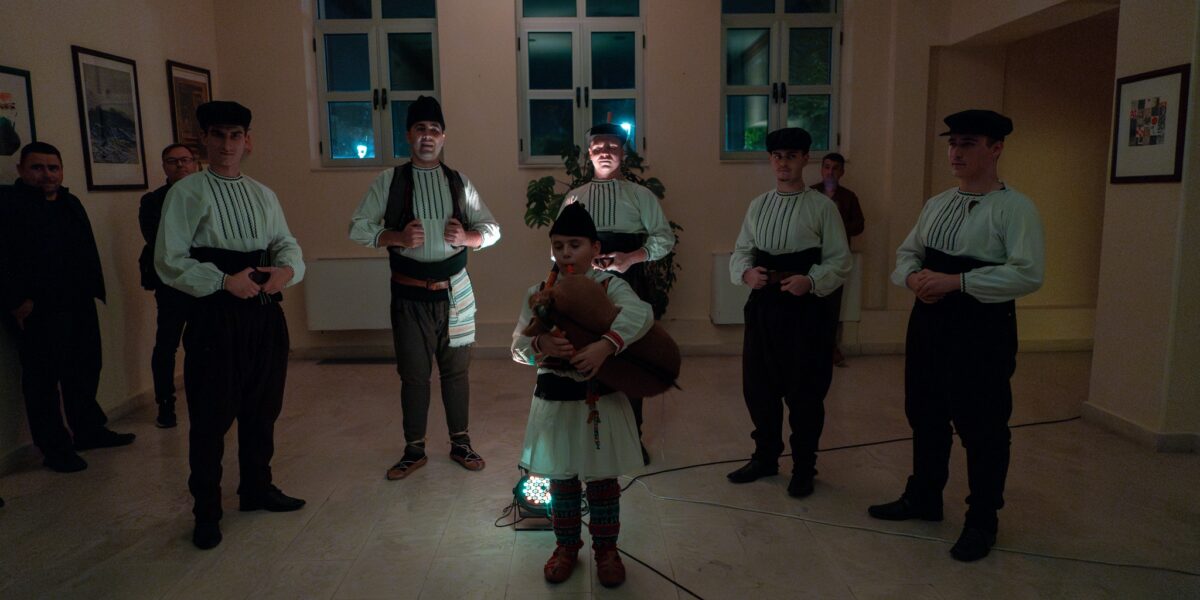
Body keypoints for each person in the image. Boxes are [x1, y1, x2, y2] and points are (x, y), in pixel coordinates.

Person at [868, 109, 1044, 562]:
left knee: (982, 424)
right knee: (924, 410)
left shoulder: (1015, 208)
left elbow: (1027, 273)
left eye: (967, 143)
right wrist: (913, 278)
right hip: (929, 321)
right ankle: (924, 496)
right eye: (952, 143)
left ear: (995, 148)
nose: (955, 153)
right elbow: (907, 253)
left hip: (981, 327)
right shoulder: (937, 203)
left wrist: (957, 282)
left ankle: (982, 520)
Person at [156, 101, 307, 549]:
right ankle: (206, 510)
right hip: (214, 314)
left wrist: (285, 271)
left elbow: (285, 242)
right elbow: (169, 260)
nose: (227, 144)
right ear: (204, 139)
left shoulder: (263, 194)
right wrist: (222, 281)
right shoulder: (186, 193)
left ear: (247, 141)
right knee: (211, 415)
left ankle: (256, 488)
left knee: (263, 408)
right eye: (218, 135)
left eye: (235, 135)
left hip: (262, 311)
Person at [349, 96, 500, 480]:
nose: (427, 136)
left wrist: (467, 237)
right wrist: (395, 236)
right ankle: (413, 449)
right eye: (420, 129)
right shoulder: (390, 181)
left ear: (444, 136)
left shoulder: (459, 182)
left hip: (455, 294)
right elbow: (358, 227)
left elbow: (492, 229)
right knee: (414, 375)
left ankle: (461, 443)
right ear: (408, 135)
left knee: (456, 373)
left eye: (434, 130)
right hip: (409, 295)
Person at [512, 203, 652, 588]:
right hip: (554, 400)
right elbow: (517, 347)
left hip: (599, 399)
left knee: (602, 478)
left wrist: (607, 345)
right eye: (558, 246)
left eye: (575, 245)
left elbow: (641, 314)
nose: (566, 253)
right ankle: (566, 547)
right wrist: (540, 344)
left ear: (595, 247)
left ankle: (607, 551)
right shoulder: (539, 293)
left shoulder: (610, 286)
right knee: (562, 478)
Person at [726, 128, 850, 498]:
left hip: (805, 310)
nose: (784, 163)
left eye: (791, 156)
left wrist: (810, 282)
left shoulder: (822, 207)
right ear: (770, 160)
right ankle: (765, 457)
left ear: (805, 159)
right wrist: (746, 273)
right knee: (758, 386)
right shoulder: (758, 205)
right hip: (764, 306)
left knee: (804, 390)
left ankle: (803, 467)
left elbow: (840, 260)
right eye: (777, 156)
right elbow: (742, 250)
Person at [0, 142, 136, 474]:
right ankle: (55, 448)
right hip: (37, 309)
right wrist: (16, 301)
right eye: (37, 167)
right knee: (43, 381)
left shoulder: (69, 202)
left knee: (85, 368)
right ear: (21, 170)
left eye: (53, 167)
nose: (47, 174)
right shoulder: (9, 205)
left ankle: (88, 430)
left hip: (77, 302)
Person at [560, 122, 674, 465]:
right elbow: (559, 247)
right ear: (589, 153)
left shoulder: (641, 196)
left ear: (623, 152)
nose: (605, 152)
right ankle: (590, 438)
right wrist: (583, 262)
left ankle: (631, 437)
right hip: (586, 289)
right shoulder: (575, 197)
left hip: (632, 282)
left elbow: (664, 239)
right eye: (599, 147)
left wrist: (631, 258)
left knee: (630, 358)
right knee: (585, 356)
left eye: (612, 146)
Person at [138, 144, 199, 428]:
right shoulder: (153, 201)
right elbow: (160, 242)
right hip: (172, 281)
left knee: (205, 342)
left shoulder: (209, 195)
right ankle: (165, 403)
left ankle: (207, 396)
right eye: (173, 161)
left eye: (185, 160)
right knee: (167, 343)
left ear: (195, 163)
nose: (180, 165)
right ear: (164, 166)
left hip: (206, 281)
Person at [811, 152, 864, 366]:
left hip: (836, 259)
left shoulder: (848, 197)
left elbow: (859, 225)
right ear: (821, 169)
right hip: (812, 258)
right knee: (809, 304)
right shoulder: (810, 194)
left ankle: (830, 348)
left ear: (842, 172)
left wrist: (837, 228)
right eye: (826, 167)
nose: (830, 172)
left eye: (835, 168)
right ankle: (809, 348)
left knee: (832, 306)